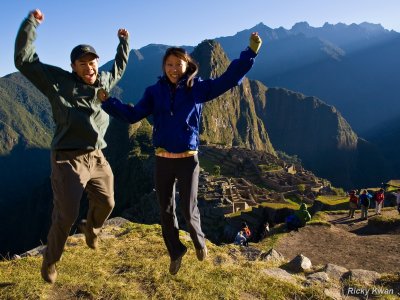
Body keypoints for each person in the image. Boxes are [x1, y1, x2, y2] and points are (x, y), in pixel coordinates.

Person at [100, 32, 262, 275]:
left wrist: (250, 53)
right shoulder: (154, 92)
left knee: (188, 208)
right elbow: (133, 115)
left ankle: (199, 241)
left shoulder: (198, 89)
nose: (174, 68)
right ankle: (175, 252)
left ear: (187, 65)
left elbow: (228, 79)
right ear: (164, 66)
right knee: (165, 211)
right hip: (163, 159)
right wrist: (108, 102)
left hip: (188, 159)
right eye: (169, 64)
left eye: (178, 64)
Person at [14, 9, 129, 284]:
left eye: (93, 62)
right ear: (73, 67)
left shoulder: (103, 80)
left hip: (97, 156)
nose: (89, 67)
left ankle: (91, 227)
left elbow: (119, 68)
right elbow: (24, 60)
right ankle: (51, 261)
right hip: (68, 159)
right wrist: (31, 24)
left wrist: (123, 43)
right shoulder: (59, 84)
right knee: (65, 215)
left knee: (108, 202)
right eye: (82, 63)